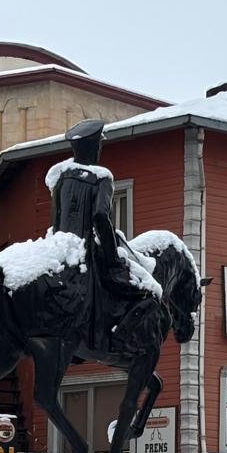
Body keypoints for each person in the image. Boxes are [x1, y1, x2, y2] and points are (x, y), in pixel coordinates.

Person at [49, 118, 154, 349]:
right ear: (95, 147)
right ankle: (117, 336)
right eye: (99, 145)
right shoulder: (102, 177)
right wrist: (112, 255)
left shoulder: (62, 177)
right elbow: (100, 217)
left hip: (59, 247)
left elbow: (55, 220)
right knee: (140, 291)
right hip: (86, 251)